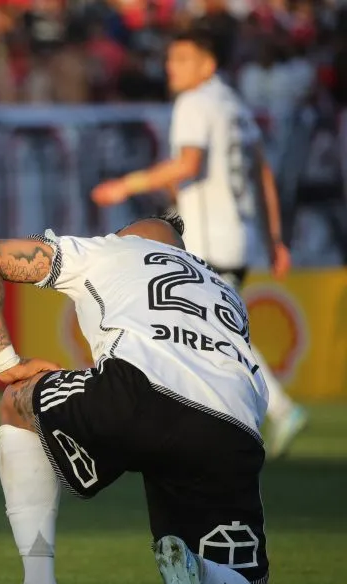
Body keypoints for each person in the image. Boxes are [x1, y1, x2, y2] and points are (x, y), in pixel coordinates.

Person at [0, 213, 268, 584]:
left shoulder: (108, 249)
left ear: (127, 234)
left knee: (16, 405)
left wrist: (5, 362)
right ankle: (200, 574)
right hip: (231, 426)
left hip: (136, 394)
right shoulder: (222, 289)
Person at [91, 28, 307, 458]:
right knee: (211, 329)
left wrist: (126, 184)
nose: (172, 68)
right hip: (240, 237)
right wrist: (274, 238)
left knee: (208, 332)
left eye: (182, 59)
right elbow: (261, 174)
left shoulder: (195, 102)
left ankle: (278, 409)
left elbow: (188, 163)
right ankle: (232, 417)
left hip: (209, 237)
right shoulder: (234, 105)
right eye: (170, 59)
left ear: (206, 64)